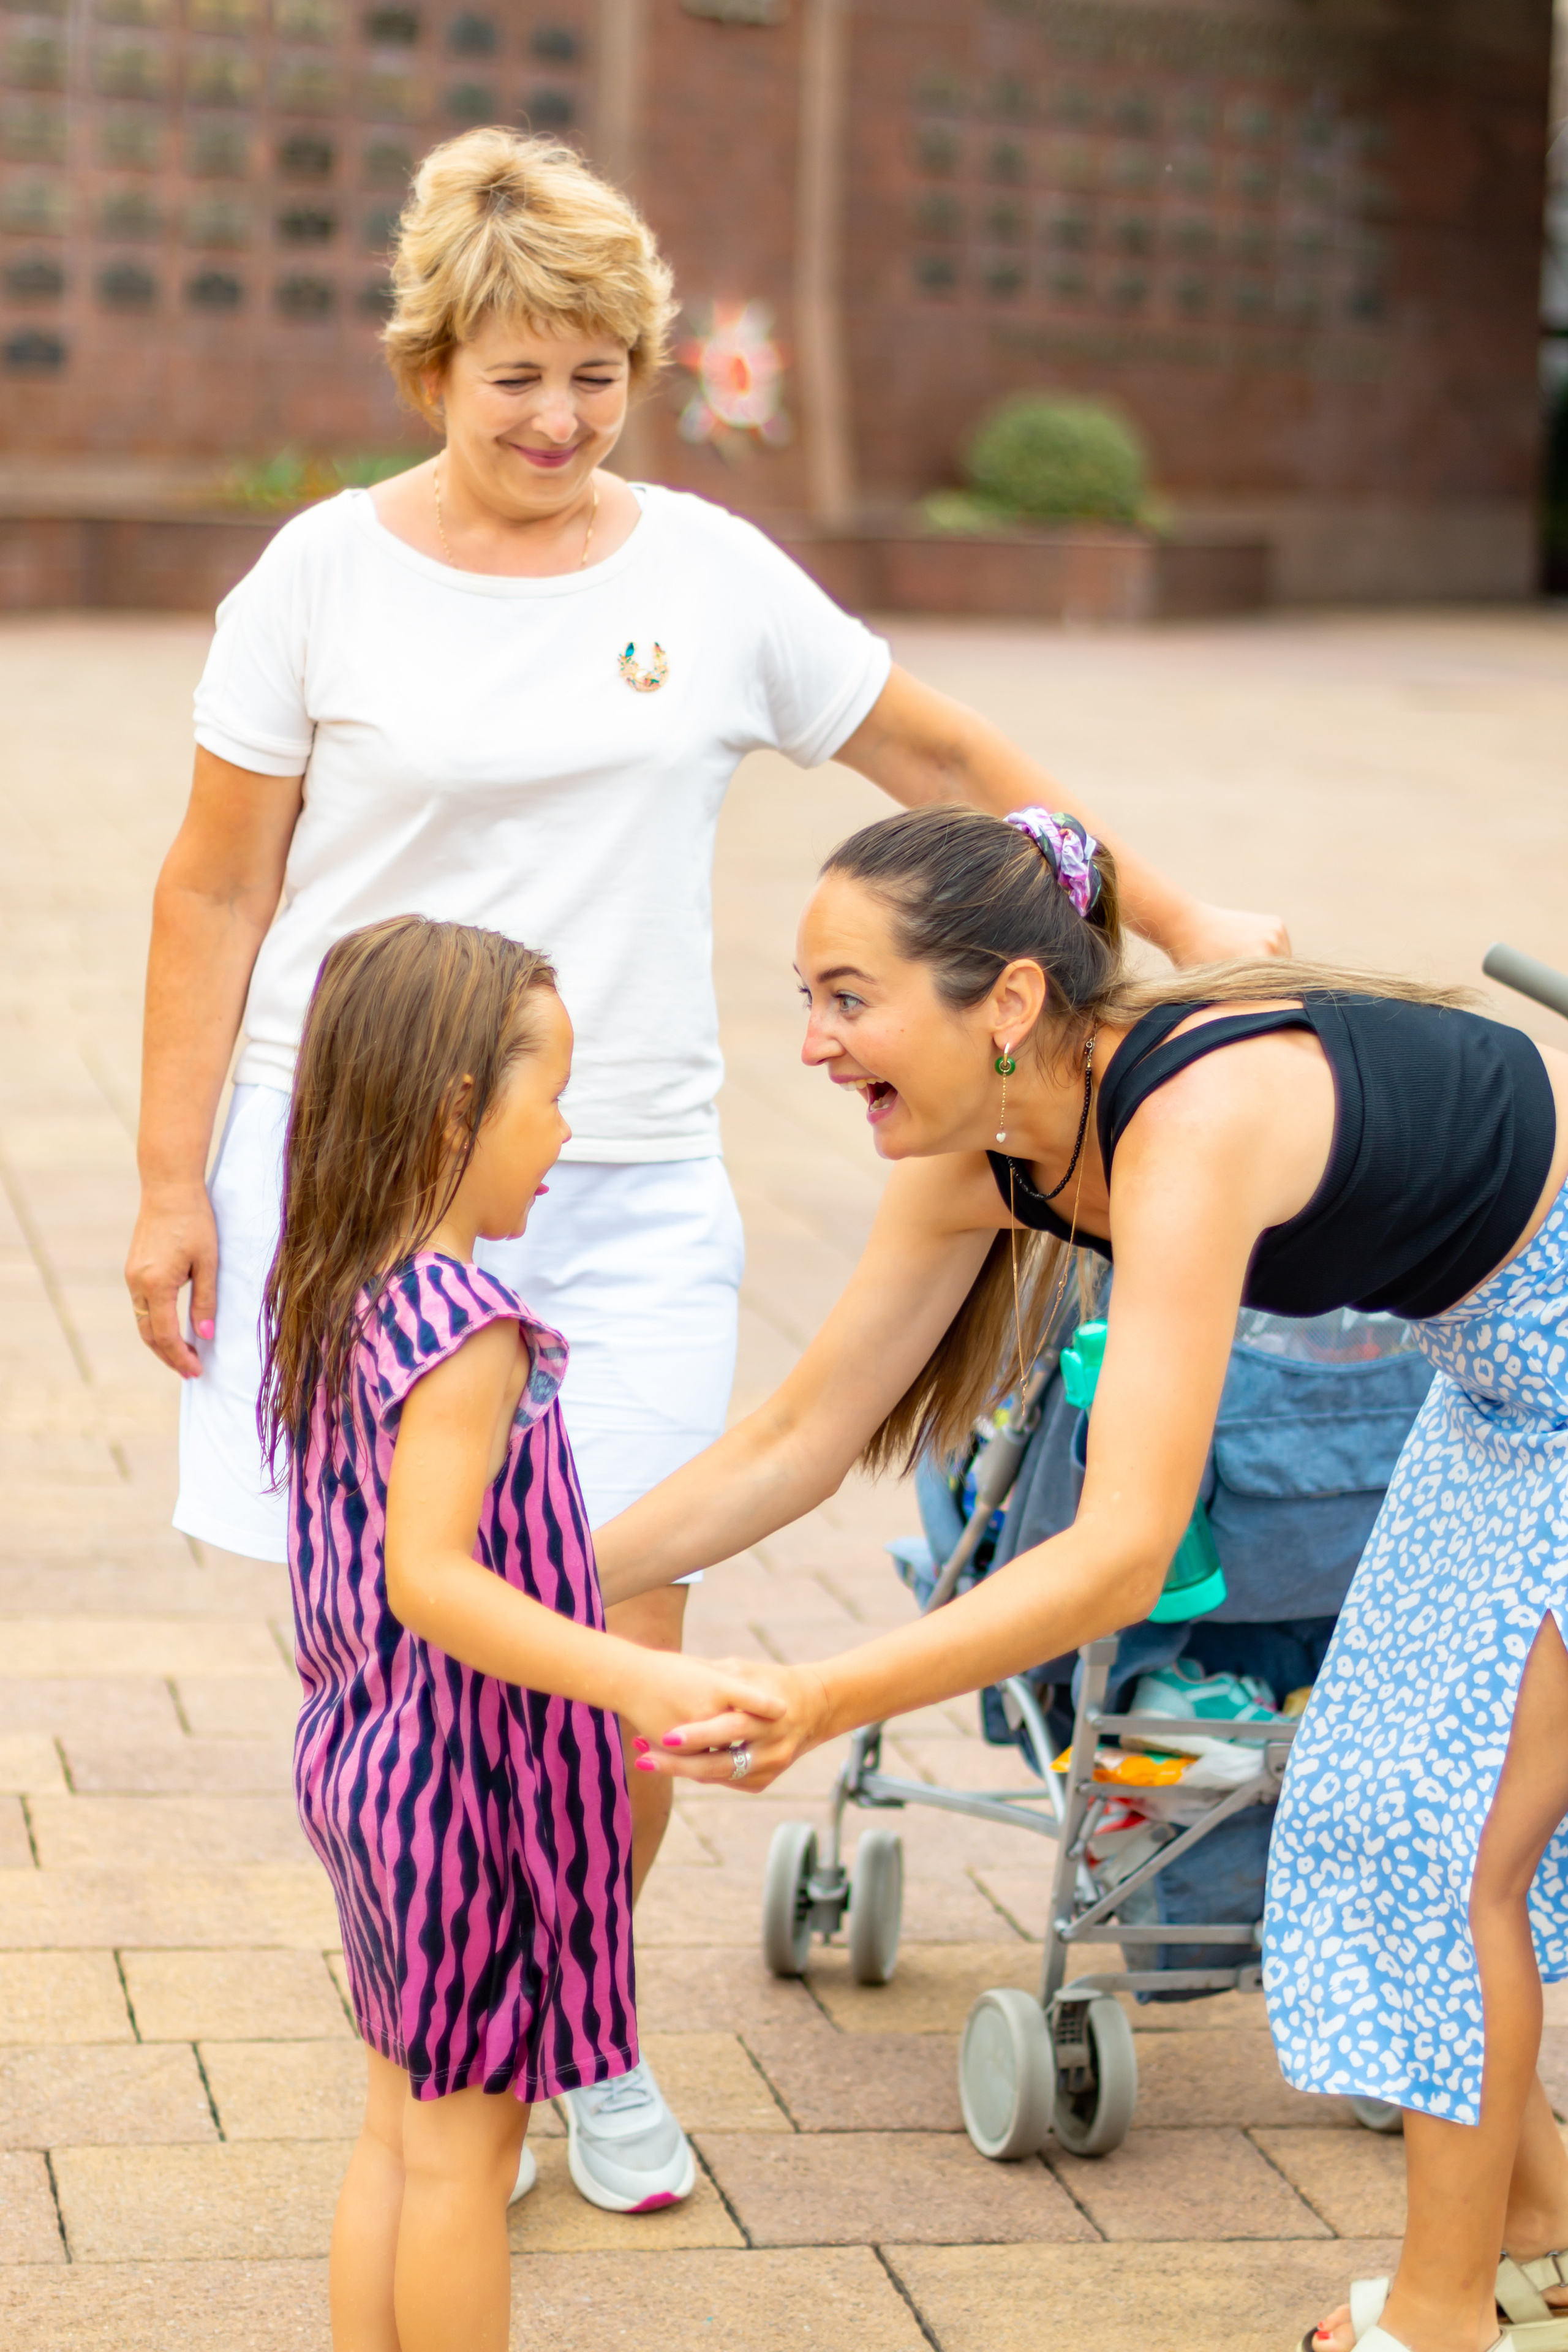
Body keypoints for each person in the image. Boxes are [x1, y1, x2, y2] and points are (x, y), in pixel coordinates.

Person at [124, 122, 1283, 2202]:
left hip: (627, 1174)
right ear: (430, 365)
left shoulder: (707, 575)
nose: (561, 419)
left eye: (600, 375)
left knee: (617, 1661)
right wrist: (159, 1185)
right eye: (517, 377)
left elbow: (947, 759)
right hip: (366, 1187)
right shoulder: (319, 579)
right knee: (407, 1663)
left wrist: (1177, 915)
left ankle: (579, 2029)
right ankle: (449, 2044)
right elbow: (215, 889)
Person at [597, 804, 1568, 2352]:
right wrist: (505, 1589)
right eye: (806, 998)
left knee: (1442, 1855)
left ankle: (1447, 2317)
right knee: (1359, 1817)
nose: (812, 1044)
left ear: (1006, 1002)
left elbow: (1123, 1547)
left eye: (847, 998)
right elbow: (794, 1439)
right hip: (1494, 1391)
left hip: (1547, 1384)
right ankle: (1539, 2238)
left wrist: (823, 1696)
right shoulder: (987, 1155)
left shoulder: (1187, 1123)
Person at [265, 914, 776, 2352]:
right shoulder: (465, 1328)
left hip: (368, 1765)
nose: (563, 1131)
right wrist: (642, 1677)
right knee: (466, 2155)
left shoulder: (342, 1289)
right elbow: (431, 1578)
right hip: (460, 1788)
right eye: (548, 1095)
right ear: (453, 1113)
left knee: (403, 2128)